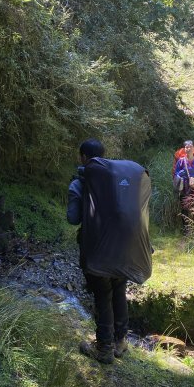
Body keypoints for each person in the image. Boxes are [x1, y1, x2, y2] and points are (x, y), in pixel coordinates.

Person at [67, 138, 131, 364]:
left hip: (97, 250)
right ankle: (121, 342)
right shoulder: (120, 181)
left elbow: (72, 219)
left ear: (83, 158)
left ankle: (104, 348)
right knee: (119, 289)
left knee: (102, 294)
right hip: (125, 247)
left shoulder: (79, 184)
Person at [173, 140, 194, 232]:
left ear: (193, 148)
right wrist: (181, 173)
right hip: (184, 188)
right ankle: (186, 229)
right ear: (184, 149)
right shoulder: (180, 161)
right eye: (186, 147)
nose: (188, 148)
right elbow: (176, 174)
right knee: (184, 208)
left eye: (190, 146)